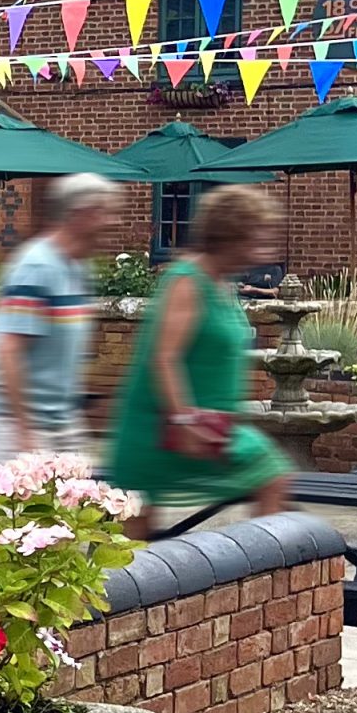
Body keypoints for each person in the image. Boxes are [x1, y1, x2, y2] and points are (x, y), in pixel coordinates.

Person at [103, 184, 294, 535]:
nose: (264, 248)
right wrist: (183, 419)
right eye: (257, 237)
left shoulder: (224, 282)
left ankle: (264, 578)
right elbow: (164, 357)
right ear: (231, 236)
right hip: (163, 428)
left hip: (210, 427)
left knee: (271, 474)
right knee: (130, 538)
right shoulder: (186, 281)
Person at [0, 176, 121, 462]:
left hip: (60, 418)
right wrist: (24, 431)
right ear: (80, 214)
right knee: (24, 505)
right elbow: (9, 352)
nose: (112, 222)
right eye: (105, 212)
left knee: (82, 500)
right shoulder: (37, 267)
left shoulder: (78, 268)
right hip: (12, 419)